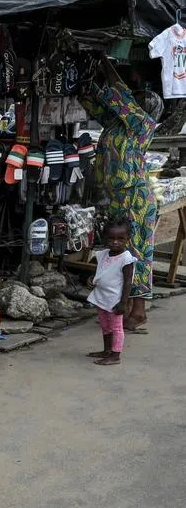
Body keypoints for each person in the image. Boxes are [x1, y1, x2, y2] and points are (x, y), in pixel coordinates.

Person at [81, 56, 157, 334]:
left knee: (137, 254)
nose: (129, 103)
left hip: (136, 197)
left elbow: (120, 94)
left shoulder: (142, 124)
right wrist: (86, 77)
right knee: (125, 253)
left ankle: (138, 310)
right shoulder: (117, 125)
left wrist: (105, 65)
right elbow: (95, 101)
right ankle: (128, 308)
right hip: (119, 197)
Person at [86, 217, 136, 366]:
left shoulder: (126, 259)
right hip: (101, 297)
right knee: (104, 325)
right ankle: (107, 350)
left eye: (120, 239)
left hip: (115, 300)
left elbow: (128, 282)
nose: (115, 242)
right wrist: (91, 280)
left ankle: (116, 355)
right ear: (105, 238)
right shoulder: (102, 255)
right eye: (111, 238)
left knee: (116, 328)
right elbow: (100, 273)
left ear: (128, 239)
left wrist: (123, 303)